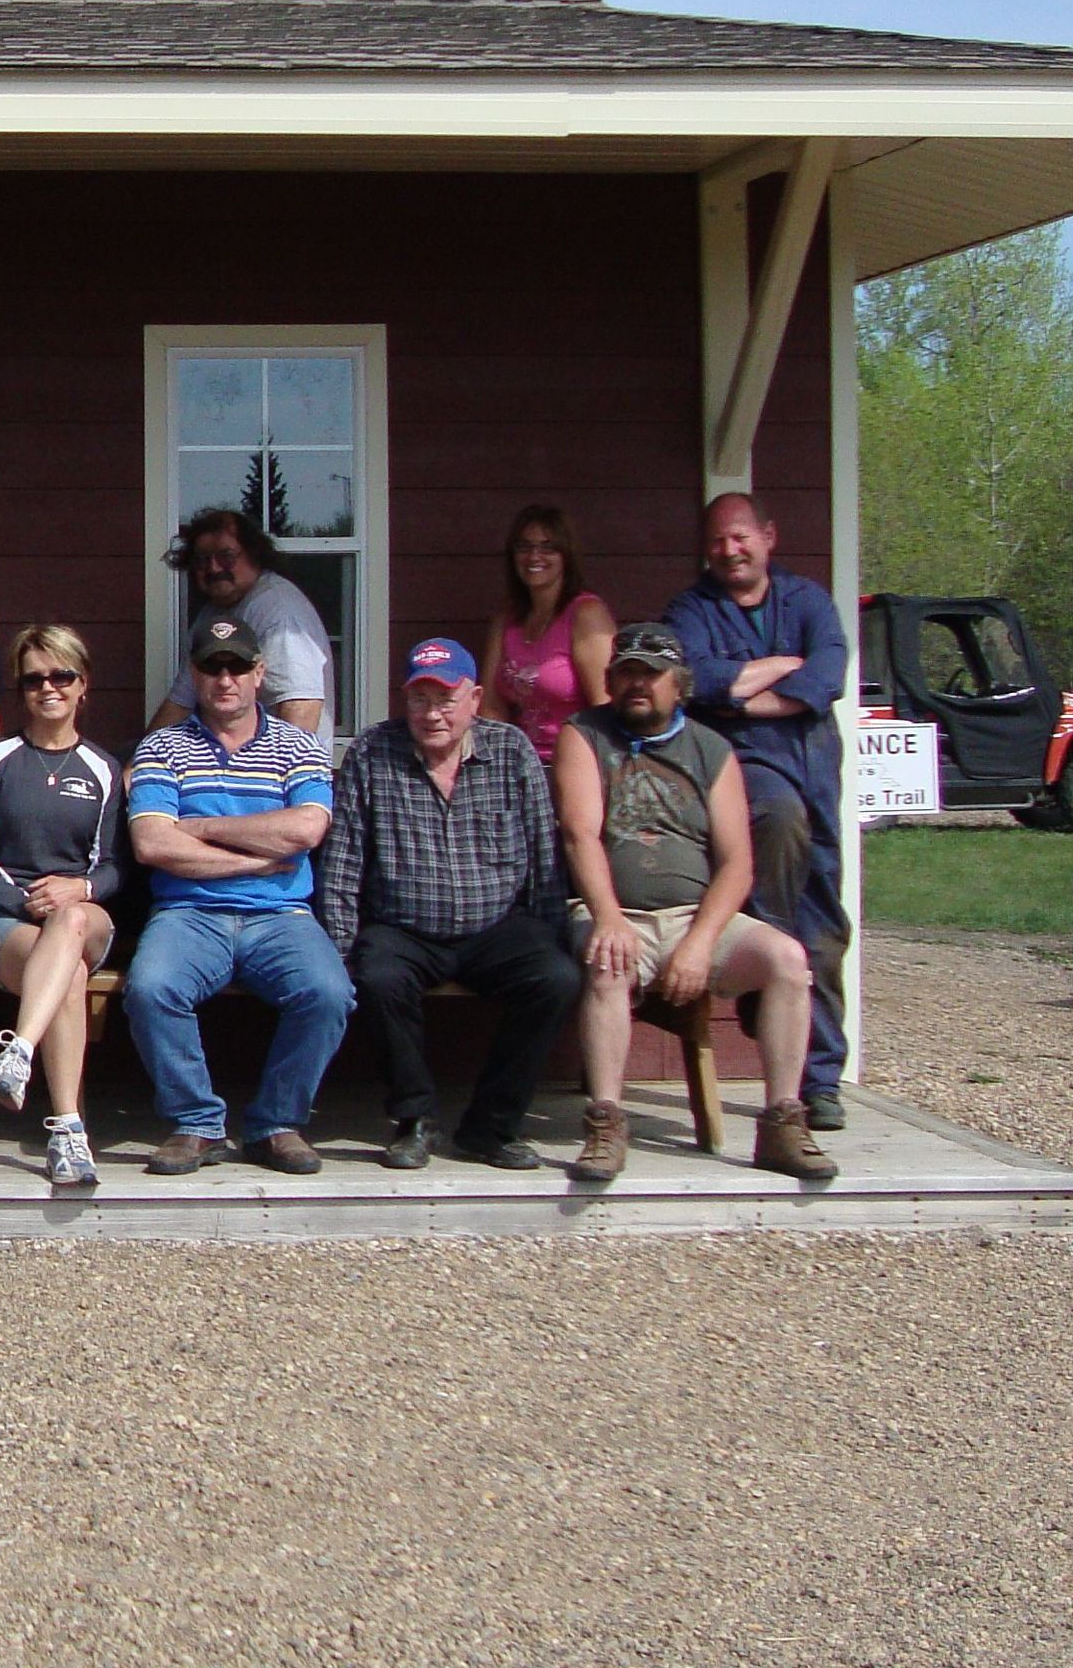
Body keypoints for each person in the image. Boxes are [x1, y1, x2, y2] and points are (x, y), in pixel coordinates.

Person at [552, 622, 831, 1181]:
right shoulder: (584, 734)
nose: (637, 685)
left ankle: (782, 1122)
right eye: (626, 673)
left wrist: (701, 943)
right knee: (610, 962)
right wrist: (607, 916)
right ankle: (606, 1123)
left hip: (693, 917)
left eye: (650, 675)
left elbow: (737, 863)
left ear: (678, 685)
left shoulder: (712, 749)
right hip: (612, 911)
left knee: (788, 962)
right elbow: (580, 835)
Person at [314, 638, 578, 1171]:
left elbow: (543, 854)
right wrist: (339, 950)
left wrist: (550, 933)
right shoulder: (372, 751)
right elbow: (343, 861)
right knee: (377, 977)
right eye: (420, 700)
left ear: (475, 698)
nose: (432, 714)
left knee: (555, 980)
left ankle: (491, 1127)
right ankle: (415, 1118)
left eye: (446, 699)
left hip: (495, 925)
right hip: (403, 927)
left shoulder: (511, 751)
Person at [118, 614, 354, 1175]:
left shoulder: (299, 746)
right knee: (150, 990)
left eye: (238, 666)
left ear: (259, 673)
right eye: (211, 666)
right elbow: (152, 843)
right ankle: (197, 1122)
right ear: (194, 675)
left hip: (282, 915)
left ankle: (276, 1123)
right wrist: (261, 856)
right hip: (189, 912)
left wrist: (198, 829)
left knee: (328, 994)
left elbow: (304, 831)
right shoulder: (162, 747)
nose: (226, 679)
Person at [666, 492, 854, 1123]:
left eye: (741, 537)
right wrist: (773, 671)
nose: (730, 550)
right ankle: (767, 959)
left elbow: (824, 678)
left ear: (768, 537)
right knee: (776, 819)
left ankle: (820, 1080)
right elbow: (692, 681)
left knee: (824, 928)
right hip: (745, 765)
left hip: (816, 770)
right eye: (718, 540)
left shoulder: (808, 602)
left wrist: (743, 692)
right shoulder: (692, 609)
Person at [0, 623, 123, 1192]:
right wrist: (34, 905)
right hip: (5, 920)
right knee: (68, 970)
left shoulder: (103, 769)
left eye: (61, 676)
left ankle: (19, 1049)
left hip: (83, 913)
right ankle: (69, 1131)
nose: (48, 688)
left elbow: (114, 865)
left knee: (73, 924)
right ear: (20, 689)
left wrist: (78, 892)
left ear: (84, 686)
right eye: (34, 679)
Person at [148, 507, 334, 737]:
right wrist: (139, 764)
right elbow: (180, 704)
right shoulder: (214, 612)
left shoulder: (278, 610)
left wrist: (283, 771)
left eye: (226, 556)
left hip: (270, 767)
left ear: (254, 555)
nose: (213, 568)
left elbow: (301, 708)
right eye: (202, 560)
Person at [479, 505, 613, 763]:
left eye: (548, 547)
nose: (534, 556)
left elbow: (605, 705)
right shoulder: (506, 620)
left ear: (566, 556)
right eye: (525, 547)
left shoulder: (586, 614)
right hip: (519, 762)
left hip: (573, 761)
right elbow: (489, 704)